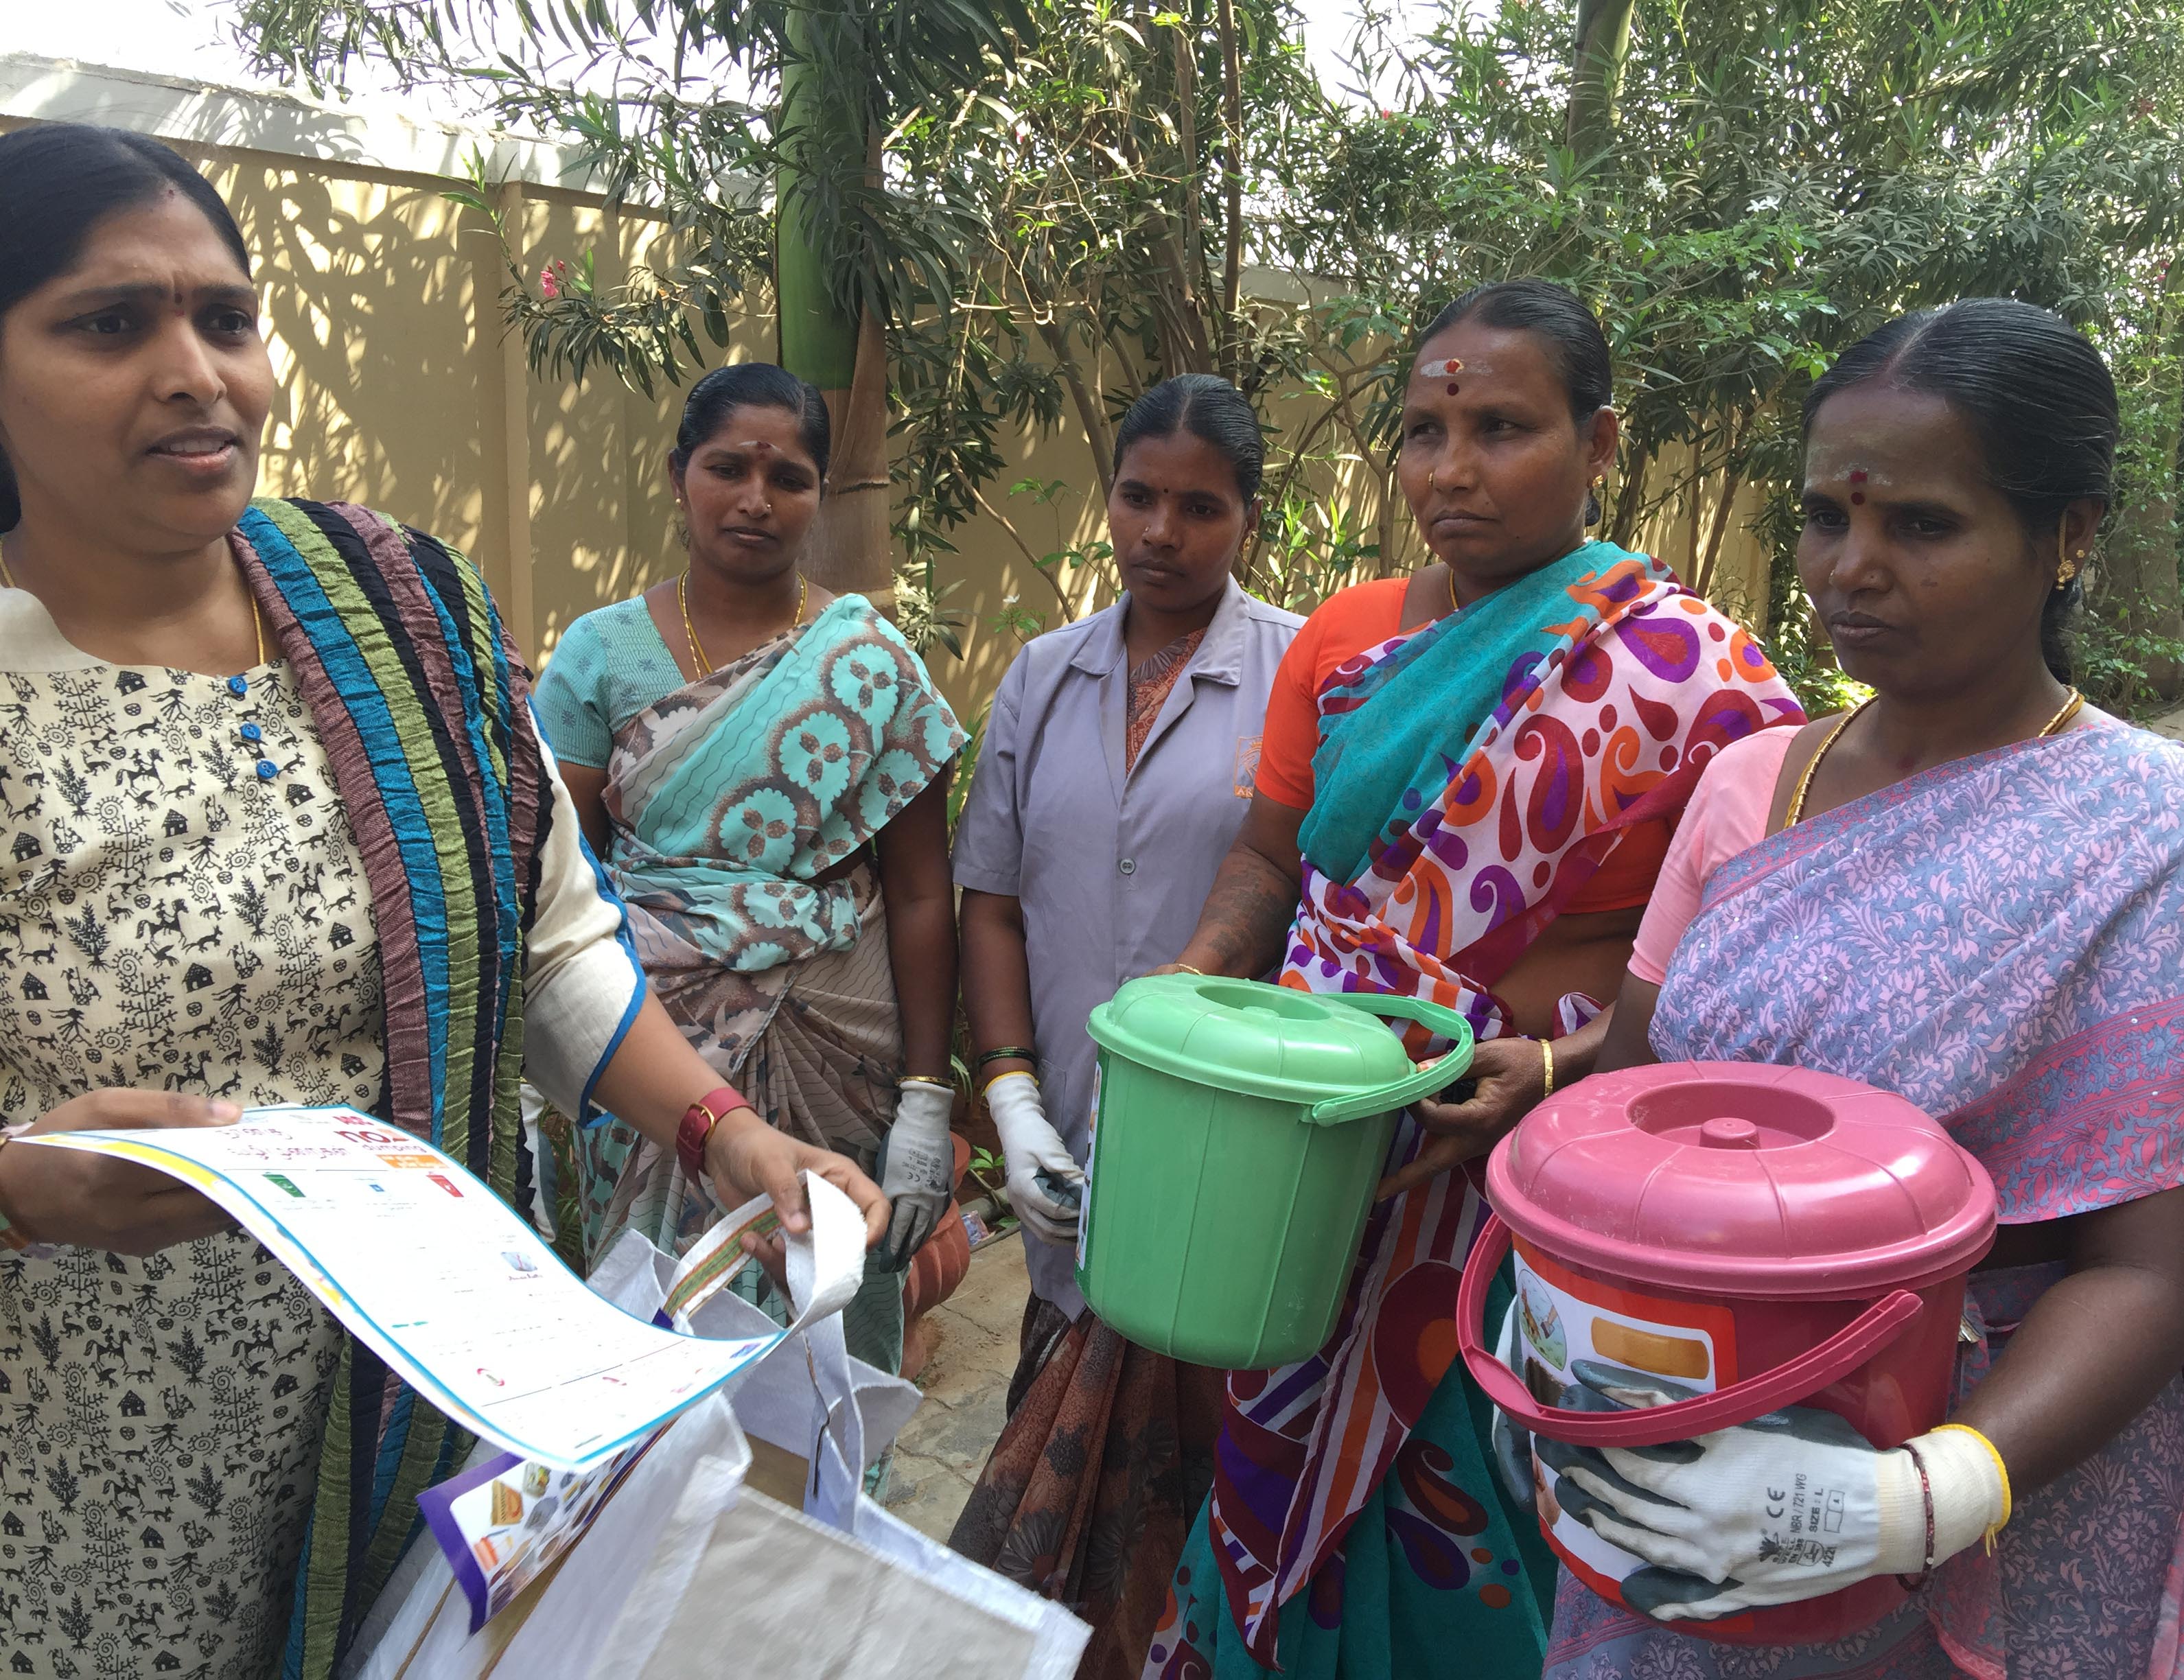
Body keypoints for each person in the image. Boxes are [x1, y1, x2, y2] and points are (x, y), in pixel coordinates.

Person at [0, 124, 885, 1679]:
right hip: (81, 1449)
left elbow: (547, 948)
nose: (197, 370)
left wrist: (729, 1133)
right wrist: (23, 1187)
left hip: (421, 1399)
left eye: (225, 316)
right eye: (106, 323)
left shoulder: (392, 606)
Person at [1542, 299, 2184, 1679]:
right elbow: (1636, 1082)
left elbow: (2159, 1272)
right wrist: (1539, 1091)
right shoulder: (1758, 782)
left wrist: (1911, 1500)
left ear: (2072, 536)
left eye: (1921, 526)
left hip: (2008, 1495)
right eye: (1823, 519)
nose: (1849, 569)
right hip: (1692, 1452)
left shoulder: (2166, 838)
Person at [1140, 279, 1804, 1679]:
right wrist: (1188, 998)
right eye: (1422, 430)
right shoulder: (1347, 642)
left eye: (1501, 427)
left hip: (1529, 1175)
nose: (1450, 470)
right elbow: (1274, 868)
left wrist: (1554, 1073)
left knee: (1481, 1504)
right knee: (1273, 1450)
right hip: (1320, 1151)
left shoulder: (1695, 676)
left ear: (1600, 444)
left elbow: (1740, 972)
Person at [946, 374, 1303, 1676]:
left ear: (1248, 520)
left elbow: (1304, 902)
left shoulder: (1302, 676)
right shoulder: (1043, 678)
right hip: (1066, 1132)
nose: (1161, 531)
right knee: (1068, 1479)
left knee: (1207, 1479)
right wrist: (1011, 1095)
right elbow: (992, 902)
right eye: (1139, 496)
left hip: (1224, 1159)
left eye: (1199, 507)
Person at [535, 360, 965, 1377]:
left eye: (791, 478)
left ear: (819, 494)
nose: (757, 500)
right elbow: (562, 880)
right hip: (647, 1043)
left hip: (835, 1046)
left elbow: (914, 892)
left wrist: (925, 1100)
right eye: (727, 468)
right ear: (679, 473)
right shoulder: (601, 656)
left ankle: (814, 1512)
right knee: (651, 1337)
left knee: (822, 1328)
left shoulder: (870, 661)